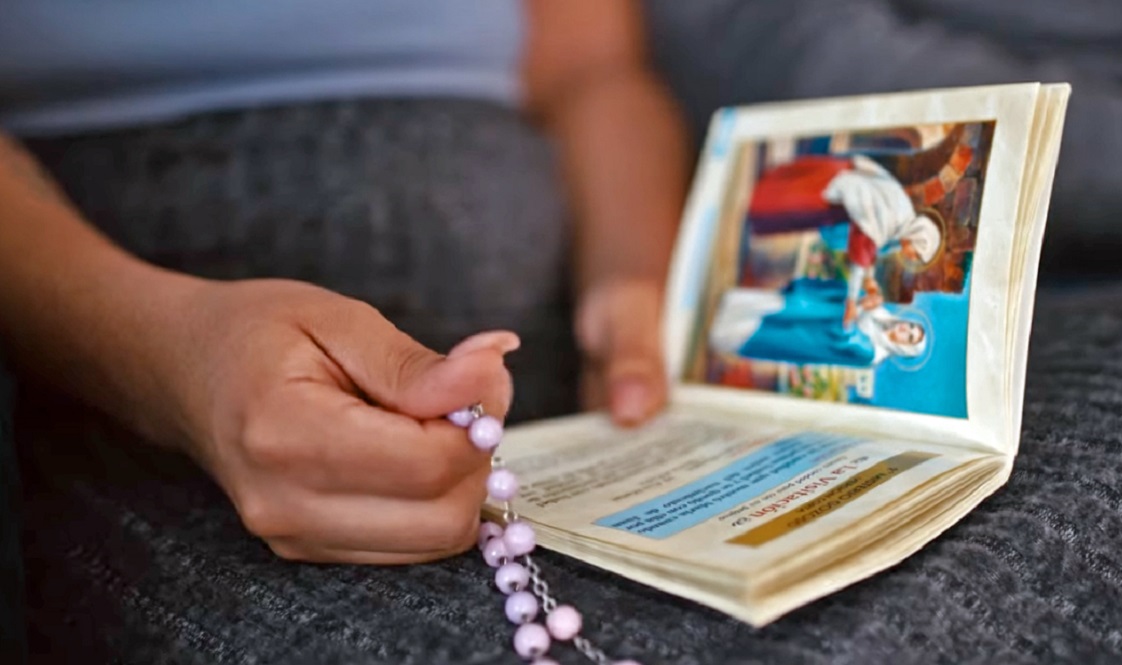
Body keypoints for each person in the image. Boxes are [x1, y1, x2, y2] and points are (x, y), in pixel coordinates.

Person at [0, 1, 686, 570]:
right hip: (127, 393)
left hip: (554, 403)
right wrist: (159, 359)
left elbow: (593, 71)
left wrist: (630, 279)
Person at [746, 154, 941, 327]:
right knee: (788, 205)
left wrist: (870, 279)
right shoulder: (896, 219)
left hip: (841, 192)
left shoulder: (900, 230)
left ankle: (759, 202)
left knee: (791, 202)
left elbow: (871, 250)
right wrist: (851, 302)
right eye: (916, 254)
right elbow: (861, 255)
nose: (911, 257)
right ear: (917, 239)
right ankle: (755, 207)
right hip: (837, 187)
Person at [709, 276, 927, 368]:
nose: (904, 329)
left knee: (765, 331)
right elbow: (848, 294)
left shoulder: (872, 353)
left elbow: (844, 335)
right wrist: (866, 292)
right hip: (813, 310)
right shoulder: (881, 313)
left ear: (902, 347)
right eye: (910, 326)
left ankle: (719, 330)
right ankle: (725, 307)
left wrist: (861, 305)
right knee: (773, 306)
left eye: (908, 337)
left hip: (811, 337)